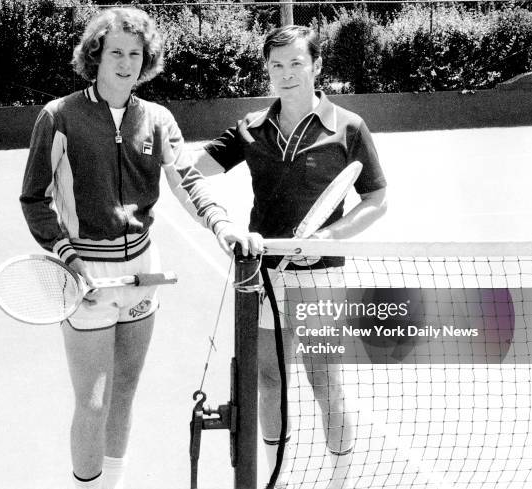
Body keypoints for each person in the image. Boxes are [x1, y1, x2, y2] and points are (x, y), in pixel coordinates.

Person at [20, 8, 256, 489]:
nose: (126, 63)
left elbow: (188, 181)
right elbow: (35, 200)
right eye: (116, 53)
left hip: (144, 274)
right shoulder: (58, 117)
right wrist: (70, 257)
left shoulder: (158, 119)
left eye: (135, 54)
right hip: (85, 274)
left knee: (124, 394)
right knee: (92, 400)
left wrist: (222, 225)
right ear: (96, 56)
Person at [192, 25, 387, 489]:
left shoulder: (349, 127)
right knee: (269, 384)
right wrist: (223, 221)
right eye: (276, 65)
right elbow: (191, 171)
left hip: (320, 280)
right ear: (267, 70)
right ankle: (273, 478)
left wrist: (327, 238)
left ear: (317, 66)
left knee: (325, 384)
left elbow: (377, 200)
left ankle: (339, 480)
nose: (286, 74)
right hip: (264, 277)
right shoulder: (251, 128)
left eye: (297, 63)